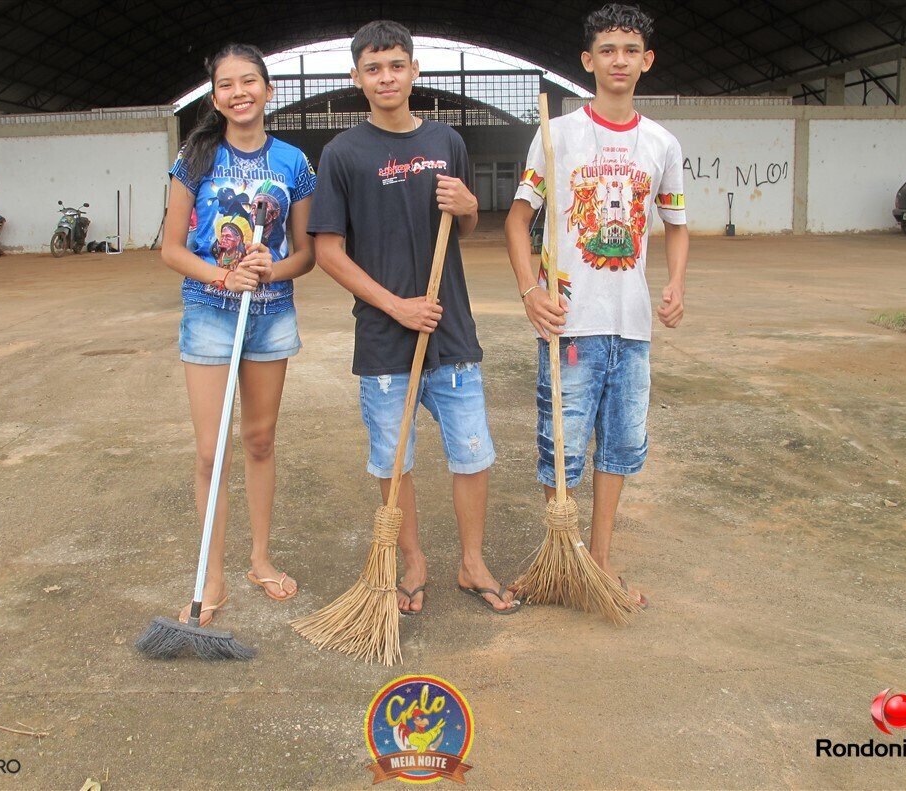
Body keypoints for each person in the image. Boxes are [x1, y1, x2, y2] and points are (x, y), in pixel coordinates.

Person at [308, 20, 519, 615]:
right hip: (383, 337)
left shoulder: (447, 141)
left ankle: (472, 563)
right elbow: (327, 251)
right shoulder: (343, 154)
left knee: (472, 452)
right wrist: (395, 305)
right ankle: (414, 561)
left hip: (450, 333)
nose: (386, 77)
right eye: (372, 69)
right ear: (356, 77)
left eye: (395, 65)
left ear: (414, 70)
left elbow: (469, 226)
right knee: (393, 461)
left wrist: (472, 206)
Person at [505, 2, 689, 604]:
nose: (619, 60)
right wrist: (531, 293)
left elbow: (676, 223)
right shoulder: (556, 136)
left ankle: (600, 562)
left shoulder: (662, 143)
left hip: (631, 324)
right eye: (607, 50)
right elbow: (518, 219)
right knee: (561, 447)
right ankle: (561, 557)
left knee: (619, 445)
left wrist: (676, 282)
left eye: (630, 50)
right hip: (570, 324)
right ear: (588, 61)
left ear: (647, 61)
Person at [161, 43, 317, 626]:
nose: (239, 93)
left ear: (268, 89)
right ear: (216, 97)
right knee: (210, 450)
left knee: (258, 441)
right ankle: (213, 575)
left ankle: (259, 558)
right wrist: (224, 275)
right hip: (208, 313)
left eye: (249, 81)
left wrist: (269, 270)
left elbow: (305, 254)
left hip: (270, 314)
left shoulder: (295, 163)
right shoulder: (195, 158)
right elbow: (171, 249)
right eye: (226, 85)